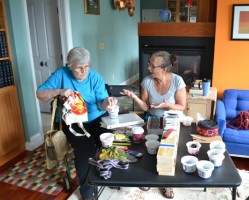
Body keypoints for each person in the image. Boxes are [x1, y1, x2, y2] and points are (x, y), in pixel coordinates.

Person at [36, 47, 117, 200]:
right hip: (73, 121)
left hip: (97, 116)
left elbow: (101, 104)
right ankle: (87, 192)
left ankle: (109, 175)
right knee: (85, 151)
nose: (84, 71)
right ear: (70, 65)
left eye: (87, 67)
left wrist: (108, 102)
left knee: (109, 142)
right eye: (79, 68)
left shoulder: (94, 77)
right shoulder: (61, 74)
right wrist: (59, 91)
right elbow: (40, 94)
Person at [122, 51, 186, 199]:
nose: (149, 68)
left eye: (152, 65)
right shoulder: (147, 82)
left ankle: (167, 182)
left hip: (172, 121)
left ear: (164, 69)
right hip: (152, 120)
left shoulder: (177, 81)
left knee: (168, 152)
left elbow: (182, 106)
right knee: (150, 148)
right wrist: (133, 97)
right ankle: (148, 178)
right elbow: (145, 107)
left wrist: (167, 104)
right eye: (149, 64)